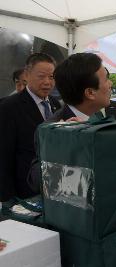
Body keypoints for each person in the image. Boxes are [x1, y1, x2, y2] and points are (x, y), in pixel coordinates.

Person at [27, 53, 116, 194]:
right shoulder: (52, 129)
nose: (111, 84)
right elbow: (36, 180)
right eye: (106, 79)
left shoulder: (111, 115)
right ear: (90, 93)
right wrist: (64, 141)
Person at [0, 53, 61, 202]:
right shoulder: (9, 107)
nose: (47, 82)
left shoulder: (55, 104)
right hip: (23, 193)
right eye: (41, 76)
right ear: (27, 75)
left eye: (51, 77)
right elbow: (3, 157)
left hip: (53, 188)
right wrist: (7, 199)